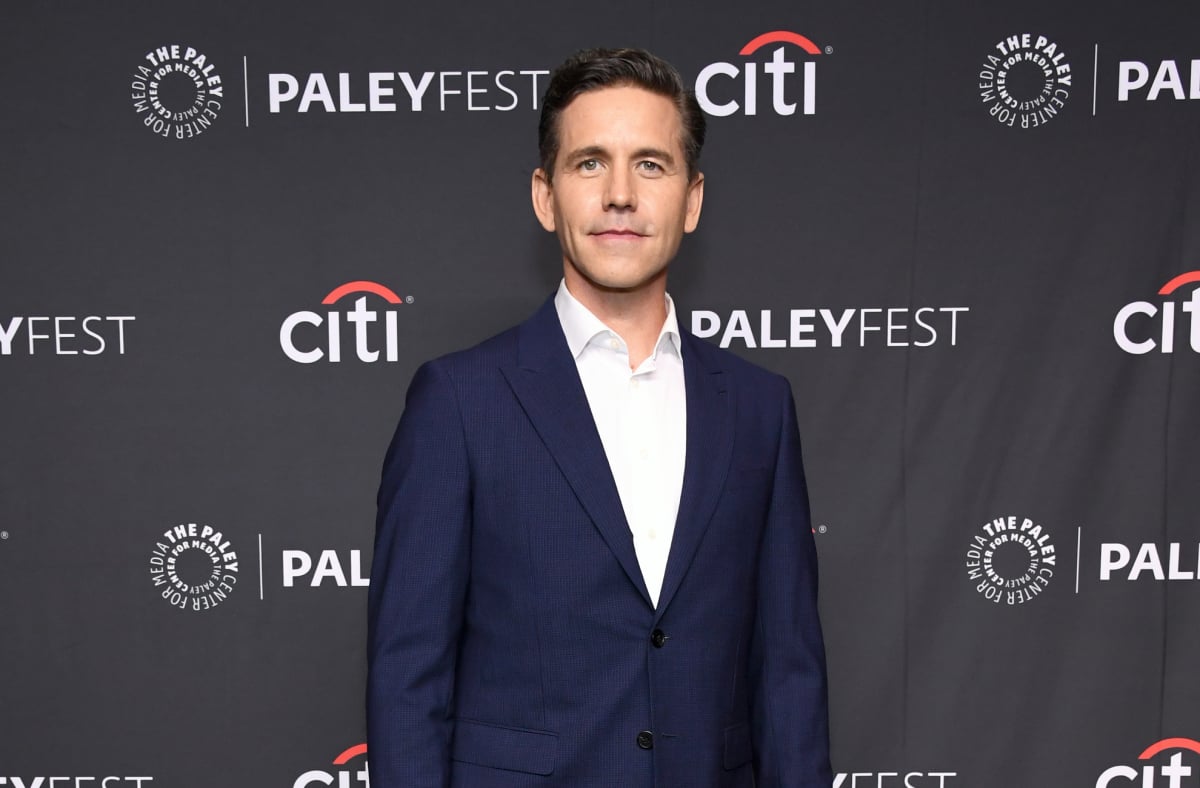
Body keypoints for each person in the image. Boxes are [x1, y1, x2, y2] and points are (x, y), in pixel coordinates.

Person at [367, 47, 831, 787]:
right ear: (545, 196)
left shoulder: (758, 407)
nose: (620, 194)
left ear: (693, 198)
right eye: (590, 164)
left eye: (650, 165)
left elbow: (789, 676)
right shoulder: (458, 402)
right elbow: (407, 680)